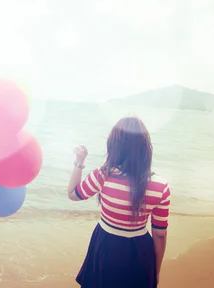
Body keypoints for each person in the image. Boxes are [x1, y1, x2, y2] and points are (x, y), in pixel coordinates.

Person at [67, 117, 170, 288]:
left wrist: (79, 161)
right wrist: (155, 271)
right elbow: (160, 234)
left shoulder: (103, 175)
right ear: (145, 147)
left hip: (106, 246)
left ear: (114, 145)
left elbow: (73, 194)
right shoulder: (161, 186)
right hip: (140, 250)